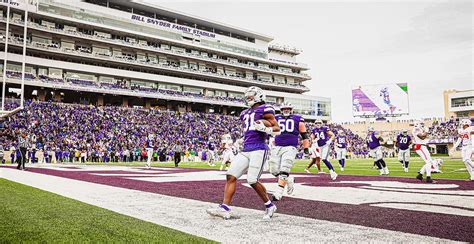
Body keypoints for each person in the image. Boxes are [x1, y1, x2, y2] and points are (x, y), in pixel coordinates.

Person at [207, 86, 280, 220]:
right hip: (246, 148)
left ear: (259, 95)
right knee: (230, 176)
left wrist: (265, 128)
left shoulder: (265, 108)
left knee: (252, 180)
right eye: (247, 95)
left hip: (259, 148)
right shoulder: (245, 112)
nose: (248, 97)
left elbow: (277, 129)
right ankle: (224, 207)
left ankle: (269, 205)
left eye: (251, 95)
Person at [268, 101, 309, 201]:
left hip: (290, 147)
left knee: (285, 168)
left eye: (288, 109)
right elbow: (270, 131)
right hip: (277, 146)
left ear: (291, 110)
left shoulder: (298, 118)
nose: (286, 110)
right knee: (273, 170)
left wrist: (306, 148)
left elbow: (304, 135)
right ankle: (289, 179)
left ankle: (279, 192)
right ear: (281, 110)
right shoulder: (276, 118)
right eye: (284, 109)